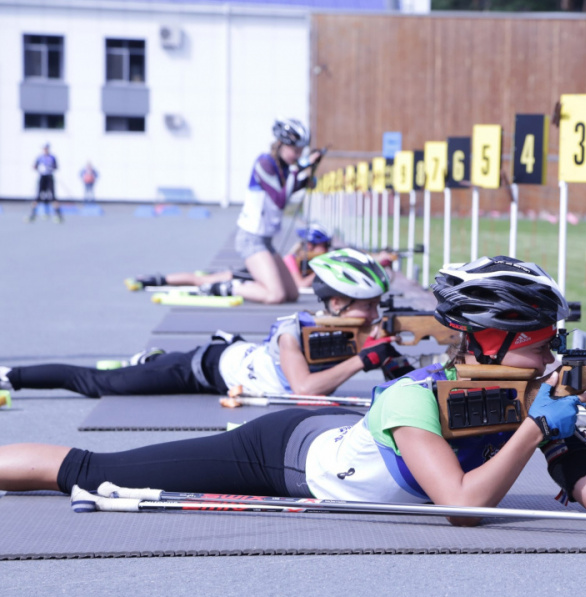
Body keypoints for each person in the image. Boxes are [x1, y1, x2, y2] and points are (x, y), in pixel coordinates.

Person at [0, 256, 586, 524]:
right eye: (539, 339)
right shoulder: (417, 398)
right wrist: (534, 430)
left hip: (310, 454)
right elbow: (462, 506)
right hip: (280, 454)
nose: (553, 350)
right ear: (488, 341)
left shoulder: (534, 405)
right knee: (96, 474)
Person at [0, 249, 410, 400]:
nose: (375, 315)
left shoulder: (352, 333)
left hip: (233, 363)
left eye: (378, 305)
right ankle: (11, 376)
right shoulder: (293, 331)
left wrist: (395, 364)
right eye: (367, 306)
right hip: (202, 369)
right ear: (336, 302)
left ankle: (152, 360)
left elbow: (398, 384)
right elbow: (304, 390)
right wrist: (365, 358)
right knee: (100, 385)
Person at [199, 118, 324, 304]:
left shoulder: (284, 168)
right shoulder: (264, 163)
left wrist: (308, 176)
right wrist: (300, 168)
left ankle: (243, 283)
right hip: (251, 240)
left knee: (292, 293)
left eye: (301, 151)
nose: (297, 155)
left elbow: (293, 186)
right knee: (276, 295)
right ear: (281, 144)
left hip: (266, 241)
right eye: (295, 150)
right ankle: (226, 287)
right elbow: (280, 199)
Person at [127, 226, 334, 293]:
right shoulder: (290, 259)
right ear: (312, 247)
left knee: (201, 279)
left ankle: (159, 279)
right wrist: (321, 269)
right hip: (245, 274)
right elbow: (298, 285)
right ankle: (156, 280)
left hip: (252, 275)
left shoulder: (299, 258)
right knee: (199, 280)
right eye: (324, 247)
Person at [27, 144, 62, 223]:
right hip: (42, 177)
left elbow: (56, 166)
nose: (45, 150)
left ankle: (58, 215)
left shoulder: (52, 157)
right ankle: (33, 214)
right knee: (38, 196)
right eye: (44, 149)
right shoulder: (40, 157)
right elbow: (35, 166)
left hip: (49, 177)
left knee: (53, 196)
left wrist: (50, 168)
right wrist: (38, 168)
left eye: (46, 149)